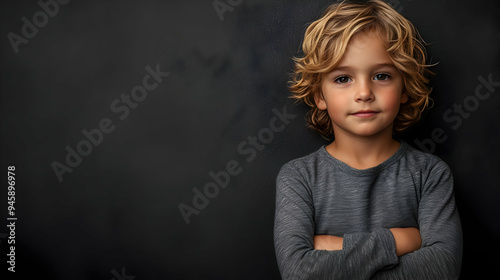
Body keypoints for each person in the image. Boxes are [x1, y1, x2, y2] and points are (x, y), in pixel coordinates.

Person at [273, 0, 463, 279]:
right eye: (343, 79)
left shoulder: (430, 175)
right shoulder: (298, 178)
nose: (364, 92)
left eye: (381, 76)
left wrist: (334, 247)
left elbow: (442, 269)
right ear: (319, 95)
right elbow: (299, 273)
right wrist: (401, 241)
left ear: (405, 88)